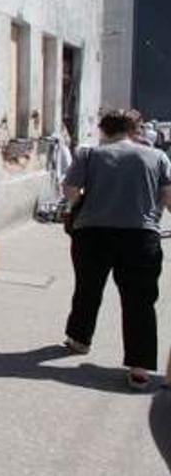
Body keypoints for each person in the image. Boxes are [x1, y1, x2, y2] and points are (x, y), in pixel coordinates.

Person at [62, 109, 171, 390]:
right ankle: (139, 368)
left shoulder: (89, 154)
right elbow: (169, 198)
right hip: (141, 236)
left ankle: (79, 339)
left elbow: (71, 190)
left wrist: (84, 203)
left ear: (104, 130)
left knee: (88, 288)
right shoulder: (157, 157)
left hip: (92, 234)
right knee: (140, 301)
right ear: (135, 130)